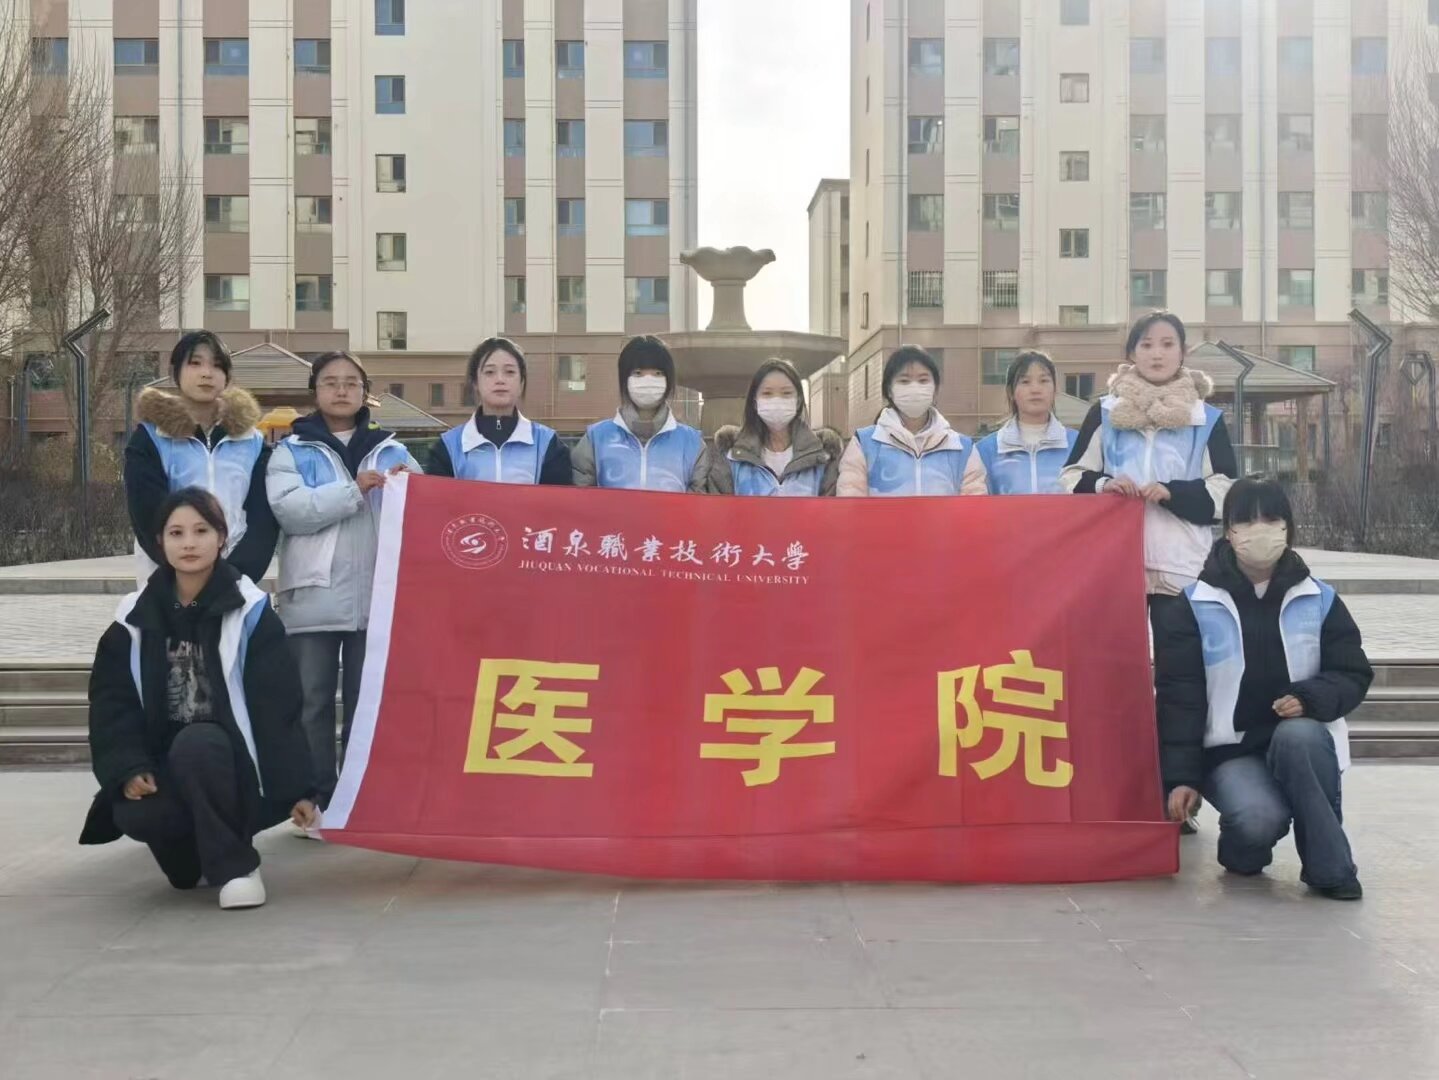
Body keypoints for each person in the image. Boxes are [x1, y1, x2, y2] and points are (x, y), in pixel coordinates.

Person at [80, 488, 317, 910]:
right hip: (167, 766)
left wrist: (299, 788)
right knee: (162, 848)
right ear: (160, 542)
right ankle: (207, 850)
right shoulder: (132, 619)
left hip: (235, 767)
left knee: (199, 742)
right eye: (176, 533)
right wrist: (129, 768)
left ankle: (237, 868)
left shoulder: (250, 613)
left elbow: (277, 706)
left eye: (201, 531)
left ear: (221, 538)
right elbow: (112, 705)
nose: (189, 543)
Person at [1155, 480, 1371, 900]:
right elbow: (1179, 698)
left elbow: (1352, 672)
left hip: (1300, 742)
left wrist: (1310, 698)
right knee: (1257, 820)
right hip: (1229, 751)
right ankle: (1242, 848)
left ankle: (1332, 871)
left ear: (1288, 527)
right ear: (1229, 531)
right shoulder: (1194, 605)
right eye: (1247, 520)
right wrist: (1180, 778)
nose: (1260, 530)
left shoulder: (1319, 599)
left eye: (1271, 519)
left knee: (1301, 736)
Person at [266, 352, 420, 816]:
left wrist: (410, 488)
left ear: (365, 392)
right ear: (315, 391)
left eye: (351, 382)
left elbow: (422, 507)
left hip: (376, 597)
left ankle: (356, 798)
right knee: (311, 702)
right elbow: (290, 511)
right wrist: (355, 491)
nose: (340, 390)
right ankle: (318, 798)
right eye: (330, 381)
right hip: (312, 595)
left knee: (365, 702)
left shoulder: (393, 451)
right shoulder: (291, 450)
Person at [1061, 311, 1238, 635]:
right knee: (1117, 657)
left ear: (1183, 352)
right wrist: (1104, 485)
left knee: (1178, 659)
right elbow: (1071, 477)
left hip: (1182, 565)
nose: (1157, 354)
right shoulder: (1105, 413)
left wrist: (1173, 493)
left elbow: (1226, 491)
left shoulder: (1205, 419)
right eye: (1147, 345)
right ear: (1132, 353)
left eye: (1167, 344)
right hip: (1115, 564)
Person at [125, 331, 277, 583]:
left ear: (227, 377)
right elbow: (147, 516)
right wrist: (186, 573)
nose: (207, 373)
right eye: (195, 363)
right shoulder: (150, 438)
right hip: (167, 580)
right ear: (175, 372)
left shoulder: (252, 442)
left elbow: (263, 520)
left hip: (234, 580)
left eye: (217, 365)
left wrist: (233, 575)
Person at [836, 345, 987, 496]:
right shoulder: (864, 444)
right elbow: (850, 503)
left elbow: (974, 506)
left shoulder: (962, 449)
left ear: (935, 389)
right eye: (904, 381)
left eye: (923, 380)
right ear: (889, 390)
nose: (914, 388)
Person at [426, 337, 572, 484]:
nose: (500, 380)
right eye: (490, 372)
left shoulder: (548, 444)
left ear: (521, 382)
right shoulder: (448, 447)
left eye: (510, 372)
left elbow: (559, 497)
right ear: (475, 382)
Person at [572, 335, 708, 491]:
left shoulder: (692, 442)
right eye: (638, 373)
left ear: (669, 379)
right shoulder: (596, 438)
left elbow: (698, 499)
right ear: (624, 379)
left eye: (658, 373)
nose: (648, 380)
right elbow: (580, 497)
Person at [705, 359, 842, 496]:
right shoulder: (731, 454)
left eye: (786, 393)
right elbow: (717, 505)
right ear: (755, 402)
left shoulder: (822, 455)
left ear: (798, 400)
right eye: (767, 393)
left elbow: (833, 506)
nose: (777, 400)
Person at [975, 351, 1078, 495]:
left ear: (1055, 390)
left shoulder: (1078, 444)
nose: (1035, 389)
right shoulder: (986, 450)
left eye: (1044, 381)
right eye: (1025, 382)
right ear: (1011, 392)